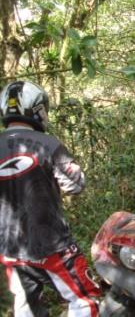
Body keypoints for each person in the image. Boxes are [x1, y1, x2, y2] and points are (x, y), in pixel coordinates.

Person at [0, 81, 101, 316]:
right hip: (52, 243)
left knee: (25, 306)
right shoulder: (49, 144)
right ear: (35, 109)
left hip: (10, 246)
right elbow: (76, 185)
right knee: (84, 299)